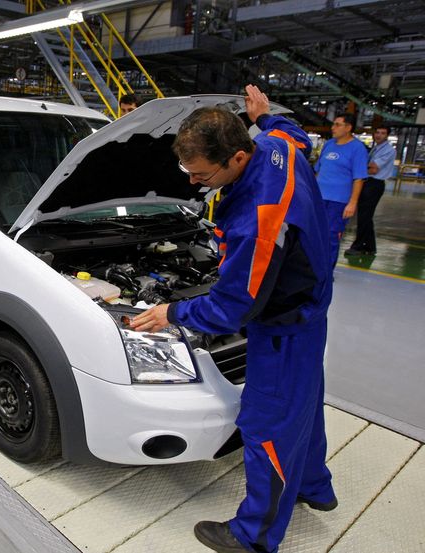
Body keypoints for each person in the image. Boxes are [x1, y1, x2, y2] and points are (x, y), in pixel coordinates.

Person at [131, 85, 336, 553]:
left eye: (202, 175)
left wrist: (173, 311)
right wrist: (263, 115)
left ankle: (254, 535)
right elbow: (293, 134)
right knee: (304, 406)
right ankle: (314, 487)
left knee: (267, 423)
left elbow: (232, 309)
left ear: (237, 158)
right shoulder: (275, 143)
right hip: (311, 305)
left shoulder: (256, 216)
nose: (193, 183)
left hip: (284, 325)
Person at [314, 113, 368, 267]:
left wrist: (352, 203)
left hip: (338, 201)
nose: (333, 128)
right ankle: (314, 267)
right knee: (316, 233)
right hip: (319, 198)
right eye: (333, 124)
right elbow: (318, 170)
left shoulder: (357, 149)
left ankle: (326, 270)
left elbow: (359, 178)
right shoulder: (329, 144)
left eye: (337, 124)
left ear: (348, 128)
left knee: (331, 235)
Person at [345, 123, 394, 256]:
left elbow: (373, 169)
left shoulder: (388, 150)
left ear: (387, 135)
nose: (379, 135)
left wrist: (359, 167)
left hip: (374, 184)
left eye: (383, 133)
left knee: (364, 217)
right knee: (365, 216)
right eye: (377, 132)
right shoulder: (376, 148)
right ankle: (370, 247)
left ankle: (358, 246)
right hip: (368, 183)